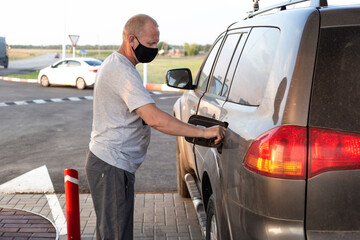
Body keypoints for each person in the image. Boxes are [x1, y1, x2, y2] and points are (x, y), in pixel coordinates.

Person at [85, 14, 226, 240]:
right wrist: (203, 132)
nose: (154, 49)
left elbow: (137, 114)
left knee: (113, 232)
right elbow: (154, 119)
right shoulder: (121, 71)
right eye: (150, 43)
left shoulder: (117, 64)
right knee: (115, 235)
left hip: (111, 164)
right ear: (131, 40)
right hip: (111, 166)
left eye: (156, 43)